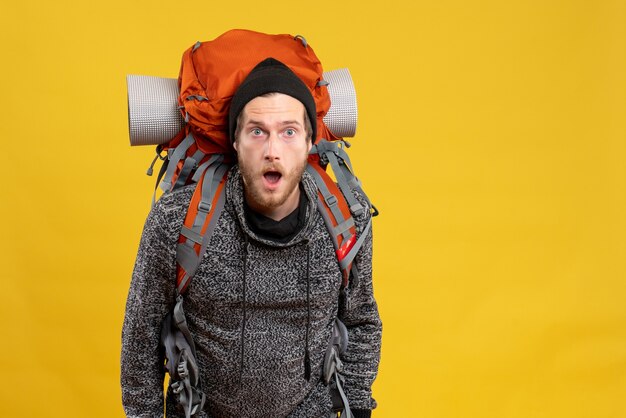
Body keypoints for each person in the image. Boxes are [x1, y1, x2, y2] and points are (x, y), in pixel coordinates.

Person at [121, 57, 382, 418]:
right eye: (257, 131)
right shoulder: (176, 222)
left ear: (309, 141)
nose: (272, 150)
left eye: (288, 131)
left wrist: (358, 409)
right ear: (236, 142)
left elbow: (362, 321)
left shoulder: (346, 222)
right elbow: (141, 336)